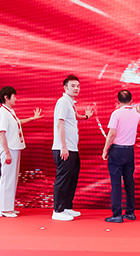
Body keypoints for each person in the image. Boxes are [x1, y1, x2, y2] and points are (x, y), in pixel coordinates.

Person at [0, 86, 43, 218]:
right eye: (14, 96)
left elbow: (18, 123)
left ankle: (9, 207)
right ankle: (4, 209)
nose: (16, 99)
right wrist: (7, 152)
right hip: (9, 149)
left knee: (13, 179)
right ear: (6, 97)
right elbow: (1, 133)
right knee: (7, 178)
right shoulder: (3, 113)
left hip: (14, 148)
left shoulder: (10, 111)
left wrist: (32, 118)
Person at [51, 75, 93, 221]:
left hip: (72, 148)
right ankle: (58, 210)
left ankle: (67, 207)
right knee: (63, 179)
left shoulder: (70, 103)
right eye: (73, 86)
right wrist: (63, 146)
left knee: (71, 179)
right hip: (64, 148)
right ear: (65, 88)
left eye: (78, 86)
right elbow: (60, 124)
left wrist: (86, 117)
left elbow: (74, 117)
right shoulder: (63, 102)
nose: (76, 88)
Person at [101, 90, 140, 223]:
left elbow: (112, 133)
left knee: (116, 183)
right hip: (129, 151)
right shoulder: (136, 115)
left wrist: (105, 149)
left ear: (118, 101)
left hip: (117, 151)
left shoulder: (116, 113)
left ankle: (117, 214)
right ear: (131, 101)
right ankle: (130, 212)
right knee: (129, 182)